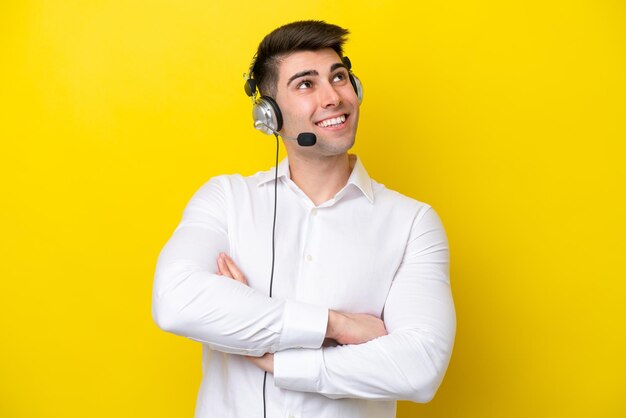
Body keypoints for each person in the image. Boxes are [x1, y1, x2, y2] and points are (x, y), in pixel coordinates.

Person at [152, 20, 456, 418]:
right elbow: (176, 302)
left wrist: (276, 352)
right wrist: (338, 326)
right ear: (269, 114)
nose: (333, 97)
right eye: (306, 84)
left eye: (340, 77)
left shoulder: (413, 222)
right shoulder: (226, 200)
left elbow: (421, 366)